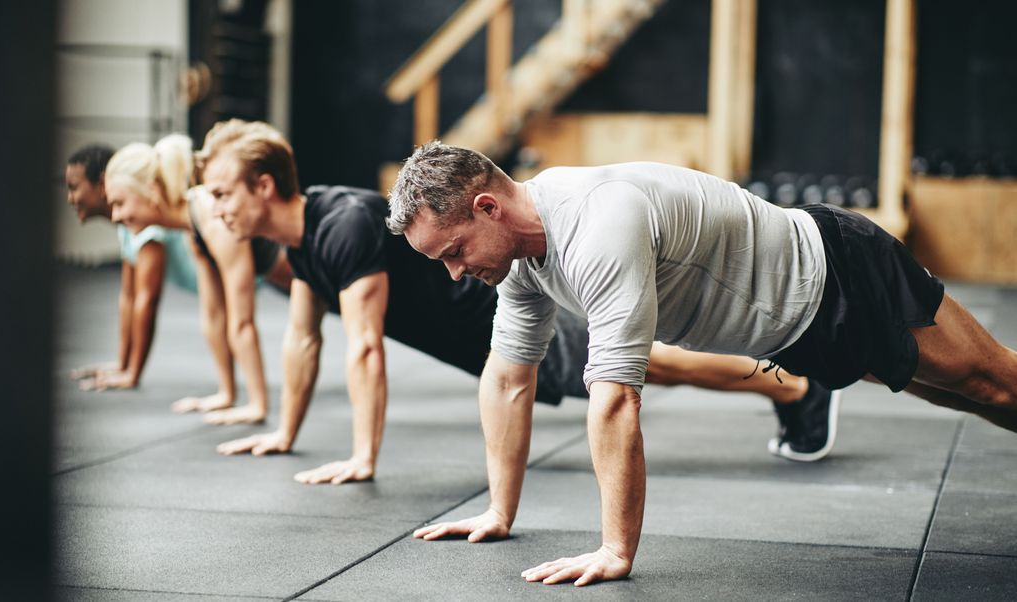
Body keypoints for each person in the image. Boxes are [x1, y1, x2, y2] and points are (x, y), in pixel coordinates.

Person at [387, 141, 1017, 587]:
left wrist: (614, 550)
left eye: (455, 251)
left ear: (488, 208)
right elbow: (507, 377)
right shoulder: (520, 262)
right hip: (794, 335)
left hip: (841, 274)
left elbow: (615, 397)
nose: (456, 272)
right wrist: (500, 512)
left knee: (994, 384)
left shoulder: (598, 222)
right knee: (956, 395)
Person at [198, 120, 839, 490]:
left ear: (263, 185)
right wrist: (284, 432)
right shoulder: (305, 240)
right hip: (474, 333)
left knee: (646, 365)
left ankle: (794, 390)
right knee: (646, 363)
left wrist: (364, 457)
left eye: (224, 192)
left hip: (507, 306)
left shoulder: (339, 227)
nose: (216, 209)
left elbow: (364, 345)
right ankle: (793, 388)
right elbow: (303, 339)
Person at [103, 134, 294, 425]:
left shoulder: (214, 220)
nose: (115, 216)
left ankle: (256, 400)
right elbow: (214, 313)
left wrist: (257, 406)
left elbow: (242, 321)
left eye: (120, 203)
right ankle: (228, 391)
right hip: (286, 280)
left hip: (310, 274)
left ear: (152, 192)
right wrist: (226, 394)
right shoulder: (194, 223)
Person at [65, 144, 198, 392]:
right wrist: (122, 365)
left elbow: (147, 300)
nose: (70, 198)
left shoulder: (145, 224)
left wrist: (132, 375)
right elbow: (128, 296)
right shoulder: (128, 226)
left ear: (102, 182)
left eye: (74, 187)